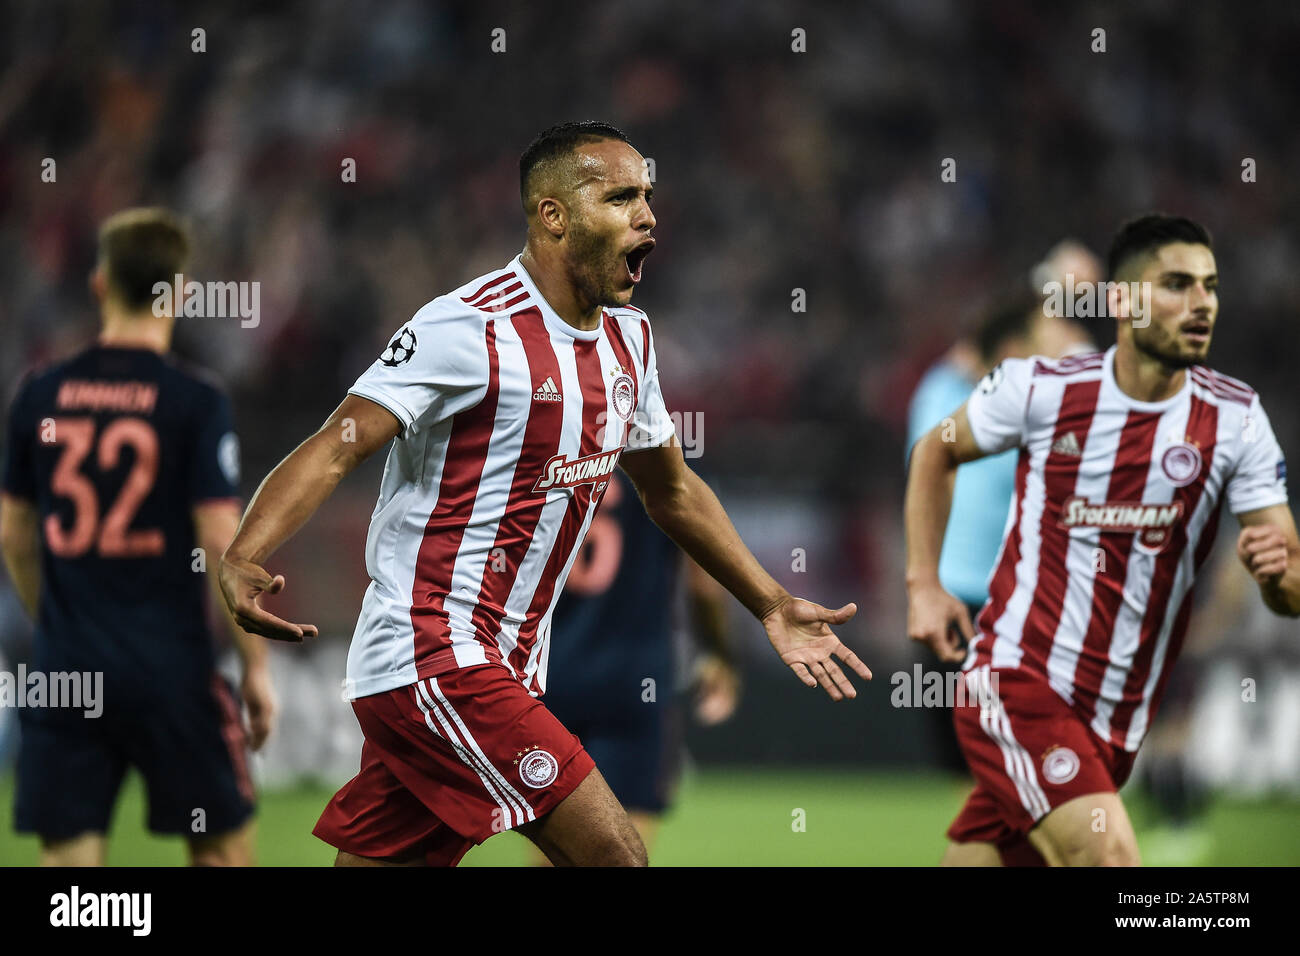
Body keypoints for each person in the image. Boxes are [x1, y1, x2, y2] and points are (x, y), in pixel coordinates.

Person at [218, 121, 869, 868]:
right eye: (621, 196)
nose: (647, 215)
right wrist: (245, 551)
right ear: (553, 215)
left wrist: (771, 603)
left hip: (505, 664)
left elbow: (673, 491)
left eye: (648, 197)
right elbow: (338, 446)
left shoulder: (632, 341)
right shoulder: (467, 326)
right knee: (616, 857)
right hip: (434, 652)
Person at [904, 213, 1298, 866]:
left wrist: (1277, 572)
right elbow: (933, 451)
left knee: (981, 856)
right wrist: (923, 584)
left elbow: (1291, 590)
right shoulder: (1040, 387)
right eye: (1175, 284)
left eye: (1210, 286)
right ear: (1119, 301)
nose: (1200, 303)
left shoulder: (1237, 418)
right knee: (1110, 856)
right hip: (1015, 678)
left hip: (1114, 713)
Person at [0, 207, 274, 866]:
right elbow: (220, 541)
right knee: (221, 853)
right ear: (180, 292)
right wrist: (256, 666)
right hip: (171, 670)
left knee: (69, 876)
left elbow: (14, 534)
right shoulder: (194, 400)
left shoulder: (39, 393)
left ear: (99, 284)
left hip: (69, 670)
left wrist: (57, 622)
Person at [540, 469, 738, 856]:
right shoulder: (668, 464)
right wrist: (718, 653)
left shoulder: (554, 454)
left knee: (555, 846)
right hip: (635, 679)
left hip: (548, 674)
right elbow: (704, 579)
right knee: (623, 845)